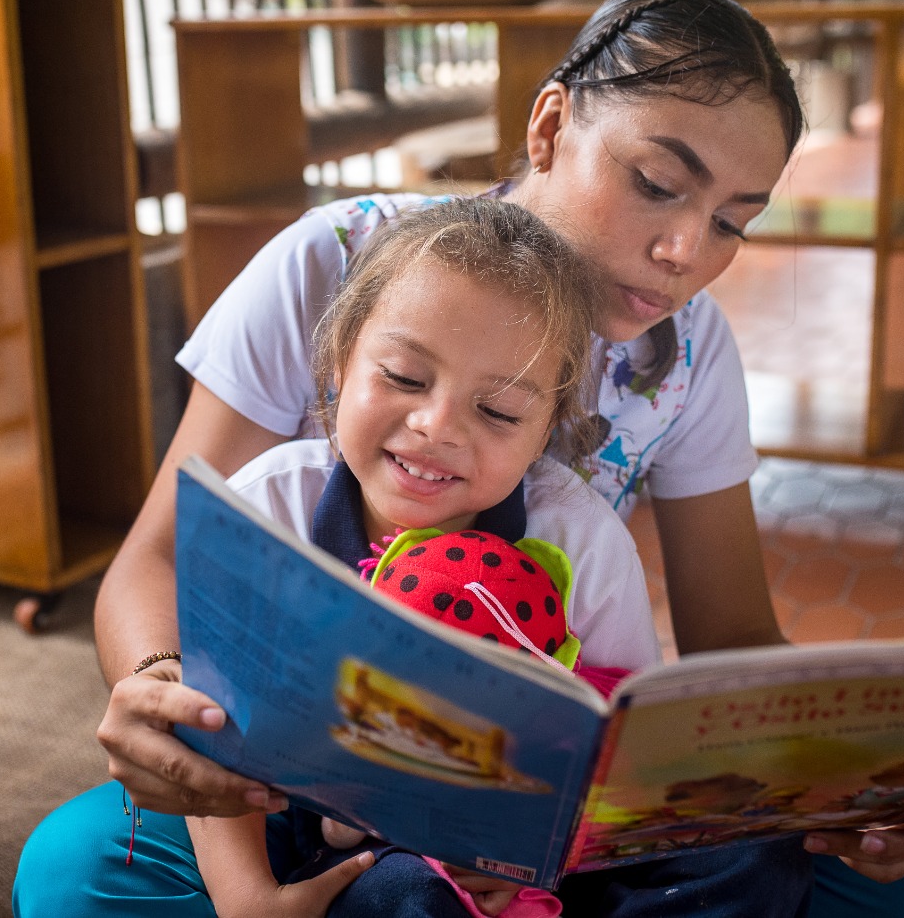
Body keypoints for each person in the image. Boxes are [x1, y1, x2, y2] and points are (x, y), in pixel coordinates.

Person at [15, 0, 904, 918]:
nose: (685, 253)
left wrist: (861, 766)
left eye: (731, 224)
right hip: (297, 766)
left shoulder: (686, 352)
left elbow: (731, 639)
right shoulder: (338, 261)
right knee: (79, 873)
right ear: (548, 126)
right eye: (657, 183)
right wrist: (155, 685)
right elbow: (154, 562)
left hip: (529, 784)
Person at [174, 197, 812, 918]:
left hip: (527, 848)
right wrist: (246, 898)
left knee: (756, 849)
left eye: (500, 412)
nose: (435, 427)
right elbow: (206, 717)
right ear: (340, 358)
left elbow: (618, 756)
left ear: (547, 427)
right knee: (410, 895)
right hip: (333, 843)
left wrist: (537, 855)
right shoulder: (265, 509)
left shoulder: (580, 537)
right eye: (405, 378)